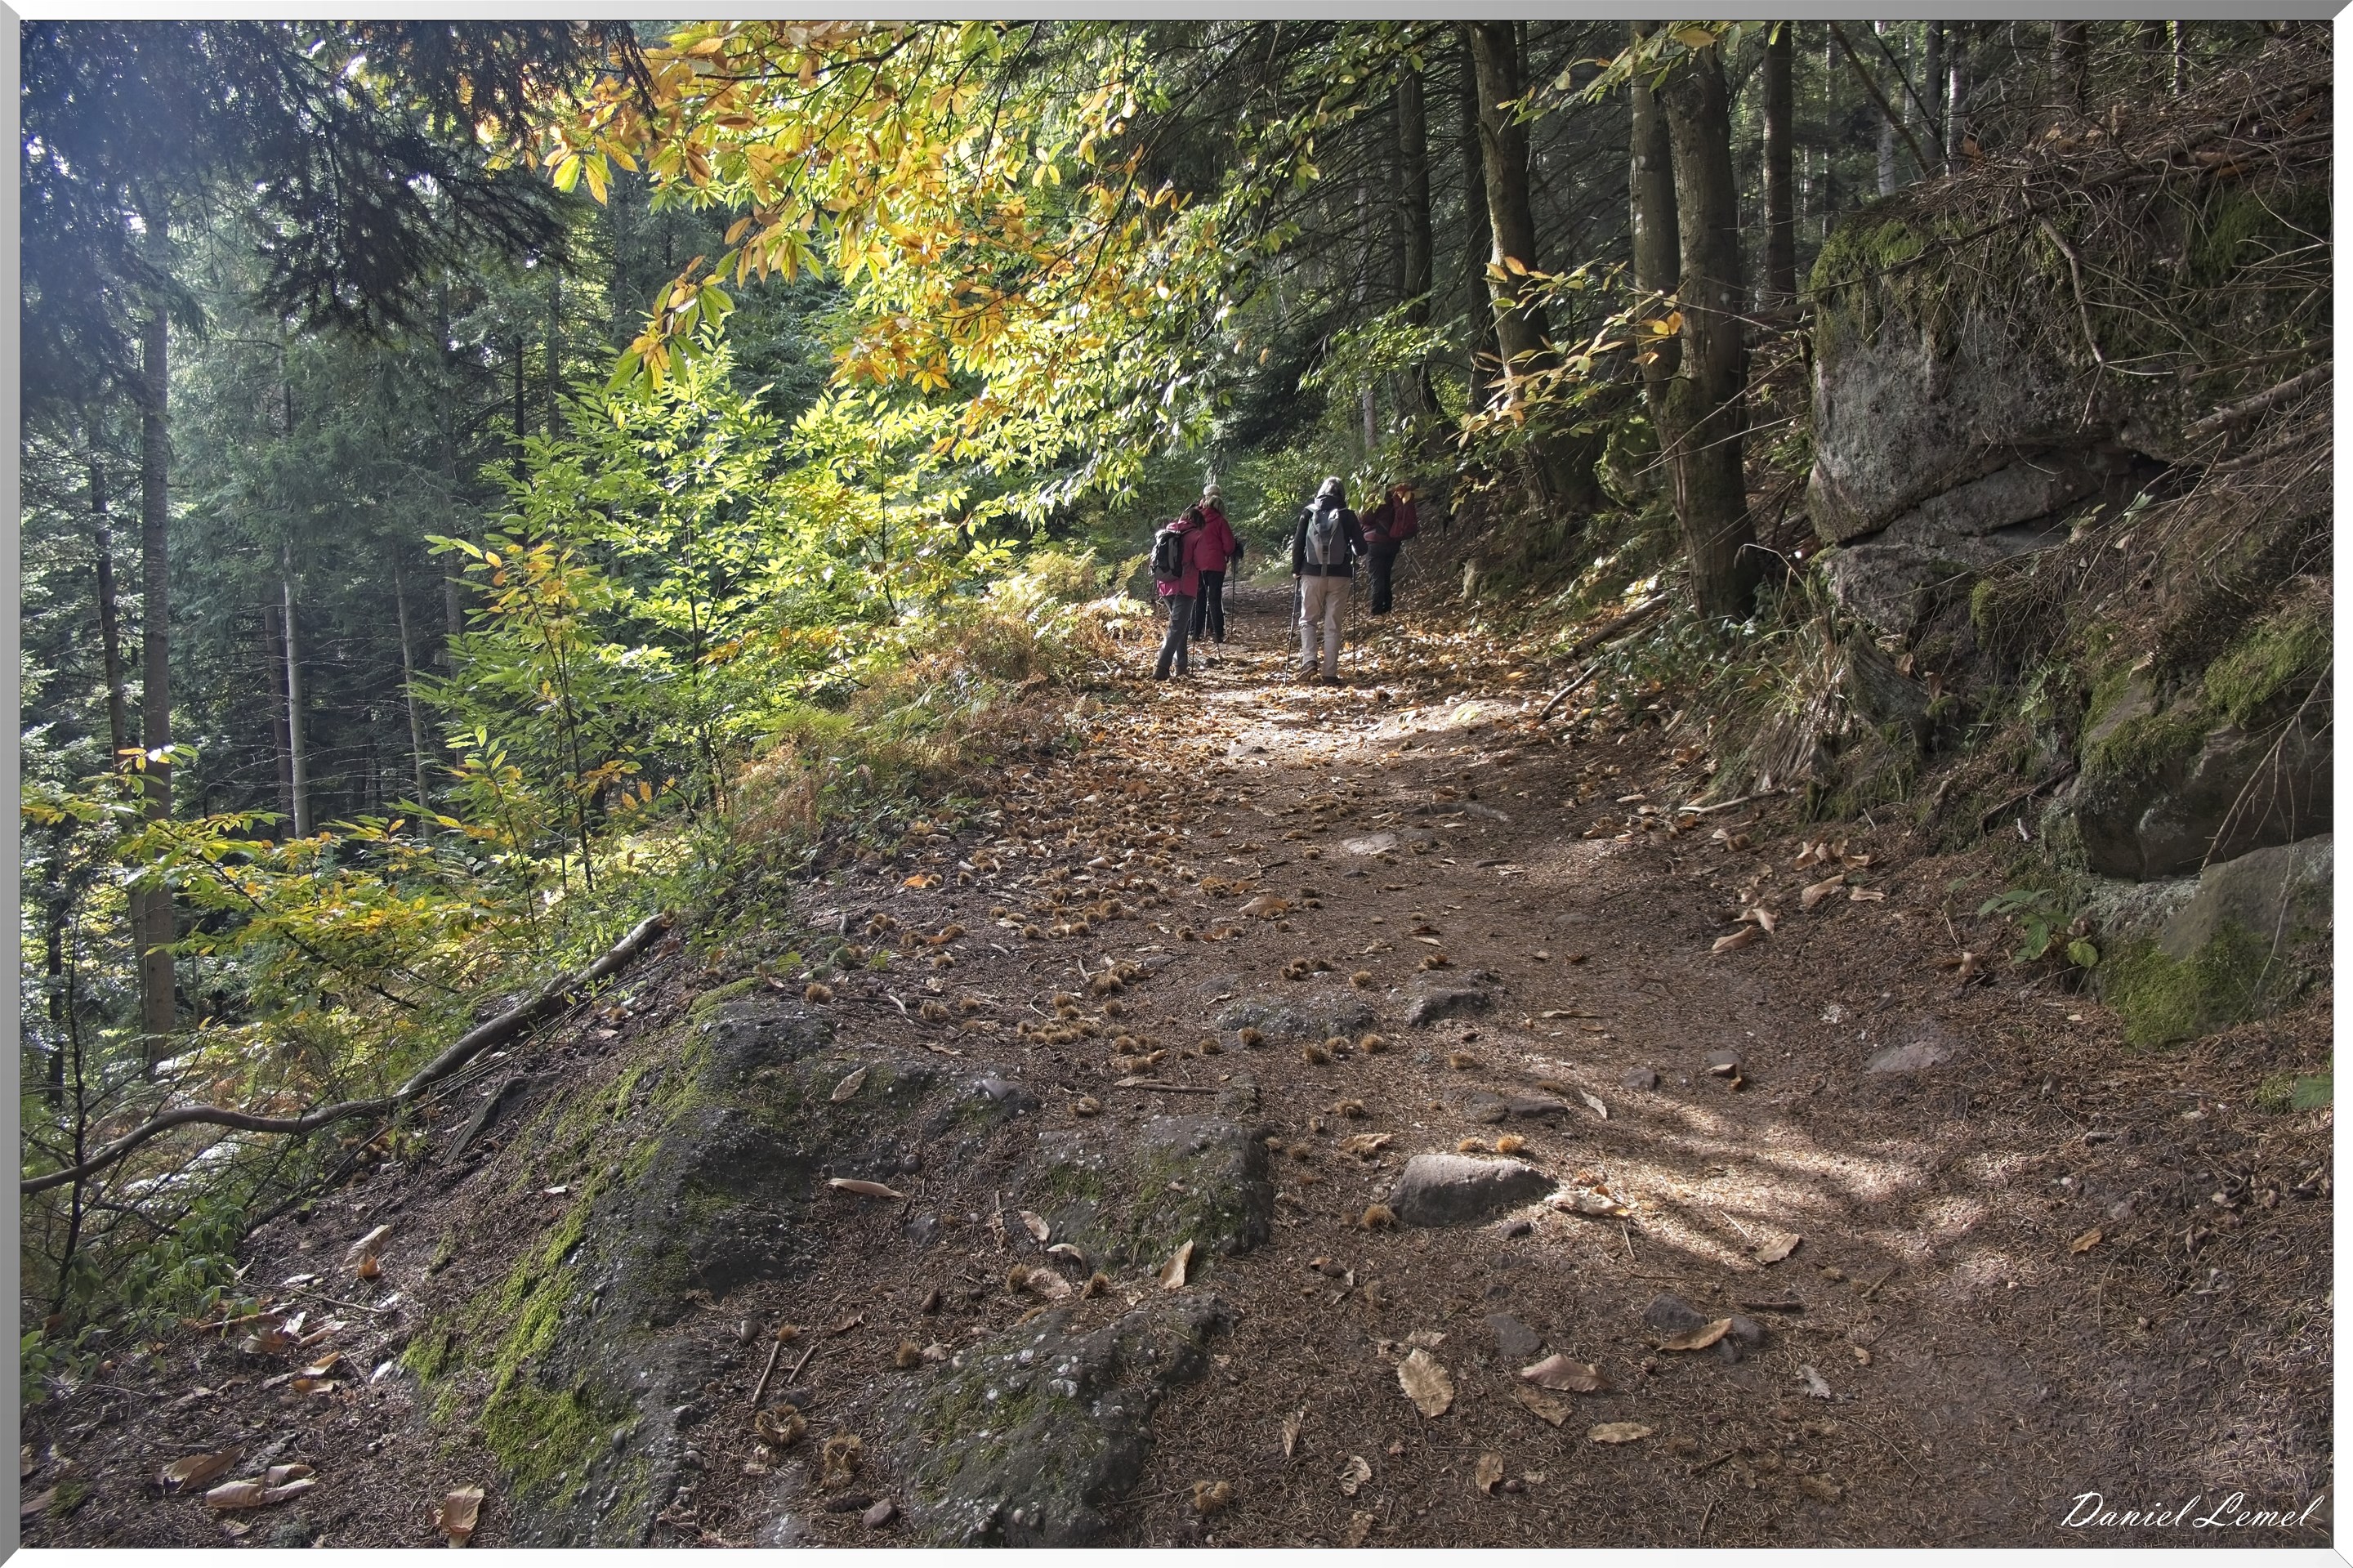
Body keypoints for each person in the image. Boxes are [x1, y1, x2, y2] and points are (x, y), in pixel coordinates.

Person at [1289, 476, 1364, 683]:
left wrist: (1297, 569)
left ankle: (1309, 660)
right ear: (1342, 494)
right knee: (1333, 625)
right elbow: (1362, 548)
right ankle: (1330, 674)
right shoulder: (1348, 515)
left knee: (1308, 620)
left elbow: (1298, 544)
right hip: (1340, 576)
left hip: (1311, 573)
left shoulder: (1309, 511)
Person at [1151, 505, 1202, 681]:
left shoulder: (1168, 532)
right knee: (1177, 626)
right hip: (1184, 586)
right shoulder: (1196, 536)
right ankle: (1162, 667)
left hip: (1164, 584)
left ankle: (1181, 666)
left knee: (1180, 626)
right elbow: (1201, 563)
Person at [1187, 485, 1240, 646]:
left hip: (1198, 565)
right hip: (1216, 565)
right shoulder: (1220, 521)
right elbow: (1229, 546)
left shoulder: (1195, 518)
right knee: (1215, 598)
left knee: (1198, 598)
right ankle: (1218, 633)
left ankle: (1195, 632)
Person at [1358, 481, 1419, 616]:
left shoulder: (1376, 498)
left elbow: (1365, 519)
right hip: (1392, 543)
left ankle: (1377, 611)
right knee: (1385, 575)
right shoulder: (1397, 497)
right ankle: (1387, 609)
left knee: (1376, 578)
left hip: (1375, 543)